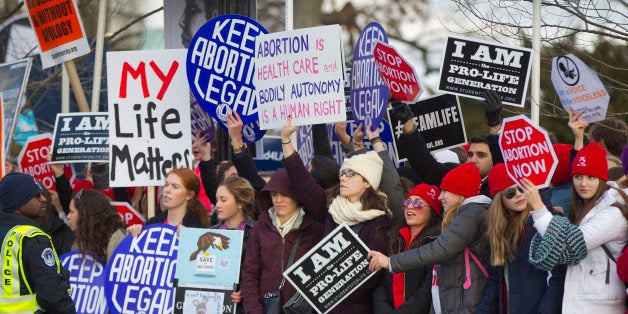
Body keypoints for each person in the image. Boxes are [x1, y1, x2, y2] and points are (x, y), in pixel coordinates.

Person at [282, 118, 395, 312]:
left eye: (351, 174)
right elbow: (301, 180)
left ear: (367, 182)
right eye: (343, 173)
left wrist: (329, 289)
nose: (343, 177)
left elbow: (371, 275)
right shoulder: (331, 210)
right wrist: (286, 140)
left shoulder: (379, 222)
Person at [368, 162, 492, 313]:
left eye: (445, 190)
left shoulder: (471, 214)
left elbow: (438, 250)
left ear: (459, 192)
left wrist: (390, 261)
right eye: (407, 202)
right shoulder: (395, 235)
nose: (441, 197)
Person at [527, 141, 628, 312]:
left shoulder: (614, 211)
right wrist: (557, 220)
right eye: (578, 176)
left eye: (591, 177)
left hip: (601, 305)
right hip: (584, 300)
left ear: (602, 179)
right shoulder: (585, 206)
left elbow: (572, 242)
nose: (583, 183)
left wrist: (539, 209)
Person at [477, 163, 565, 313]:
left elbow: (557, 277)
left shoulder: (542, 224)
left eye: (522, 188)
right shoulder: (497, 231)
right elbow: (495, 281)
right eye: (510, 192)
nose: (518, 194)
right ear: (499, 199)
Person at [241, 167, 324, 313]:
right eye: (274, 194)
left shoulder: (314, 229)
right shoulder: (260, 227)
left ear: (297, 195)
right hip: (266, 308)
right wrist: (253, 310)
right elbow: (250, 273)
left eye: (285, 194)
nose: (279, 200)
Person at [0, 172, 76, 313]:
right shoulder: (32, 238)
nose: (43, 199)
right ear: (18, 203)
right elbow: (53, 296)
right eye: (36, 196)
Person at [373, 183, 443, 313]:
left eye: (418, 203)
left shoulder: (436, 241)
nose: (410, 207)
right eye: (407, 202)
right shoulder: (394, 236)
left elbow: (427, 291)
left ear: (432, 211)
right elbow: (381, 283)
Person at [210, 176, 257, 310]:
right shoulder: (209, 233)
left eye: (223, 200)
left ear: (240, 202)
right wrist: (186, 239)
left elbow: (262, 273)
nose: (217, 205)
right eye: (217, 200)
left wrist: (246, 291)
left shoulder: (256, 234)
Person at [128, 168, 211, 236]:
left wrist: (188, 241)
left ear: (189, 195)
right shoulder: (152, 223)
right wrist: (135, 236)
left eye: (175, 187)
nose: (167, 190)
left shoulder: (198, 228)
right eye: (166, 184)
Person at [67, 189, 127, 263]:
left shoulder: (116, 238)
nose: (68, 216)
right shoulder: (80, 239)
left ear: (85, 215)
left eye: (72, 212)